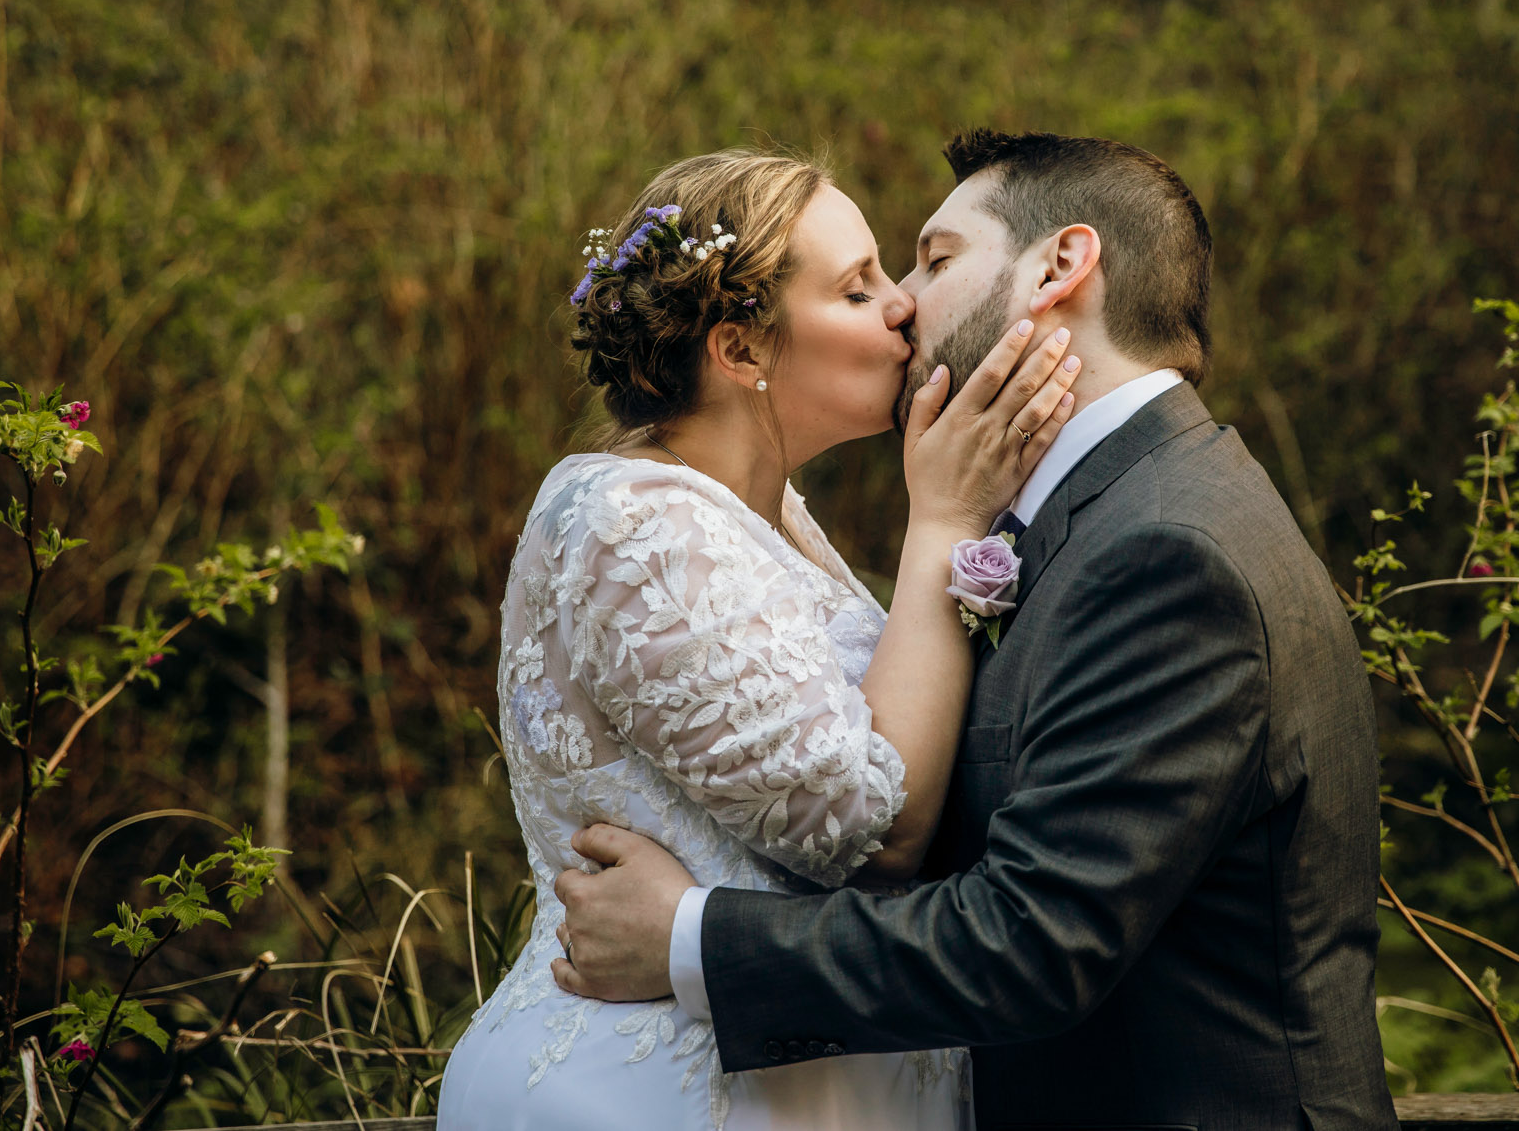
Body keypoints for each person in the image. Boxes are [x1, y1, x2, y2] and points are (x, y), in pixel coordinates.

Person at [549, 130, 1400, 1131]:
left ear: (1060, 266)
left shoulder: (1169, 550)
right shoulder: (1105, 511)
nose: (903, 299)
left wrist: (688, 937)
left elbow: (1032, 940)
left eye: (934, 257)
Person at [435, 146, 1085, 1131]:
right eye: (857, 287)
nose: (901, 306)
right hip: (652, 1095)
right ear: (739, 350)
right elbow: (863, 826)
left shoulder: (766, 516)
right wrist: (944, 524)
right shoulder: (631, 524)